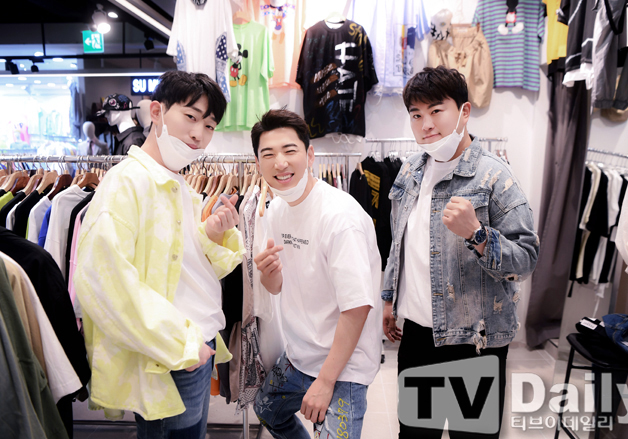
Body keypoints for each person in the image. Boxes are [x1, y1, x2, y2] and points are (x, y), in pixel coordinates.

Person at [74, 71, 245, 439]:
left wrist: (212, 233)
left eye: (209, 125)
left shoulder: (175, 182)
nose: (199, 134)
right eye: (191, 117)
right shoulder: (126, 183)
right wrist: (181, 344)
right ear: (157, 111)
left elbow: (180, 263)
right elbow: (104, 282)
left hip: (194, 345)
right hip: (171, 354)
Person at [382, 66, 539, 438]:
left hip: (475, 342)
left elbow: (526, 259)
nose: (426, 124)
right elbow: (398, 242)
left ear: (464, 111)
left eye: (436, 110)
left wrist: (478, 235)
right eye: (416, 115)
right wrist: (389, 298)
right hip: (418, 337)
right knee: (416, 434)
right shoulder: (410, 172)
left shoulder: (495, 176)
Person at [251, 109, 383, 439]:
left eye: (289, 150)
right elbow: (277, 287)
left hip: (344, 367)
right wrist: (268, 275)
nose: (280, 163)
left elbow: (357, 307)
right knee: (266, 410)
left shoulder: (340, 217)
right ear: (257, 163)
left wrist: (325, 382)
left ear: (310, 155)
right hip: (299, 356)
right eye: (268, 154)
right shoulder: (276, 209)